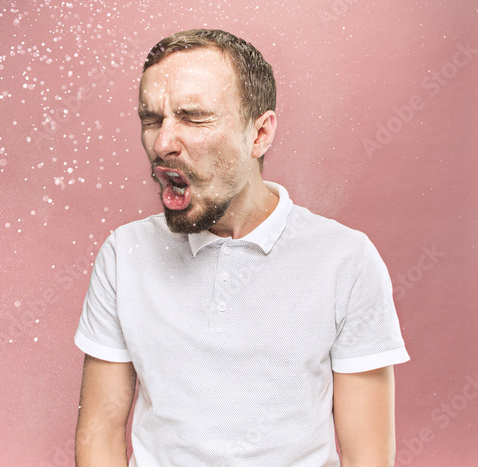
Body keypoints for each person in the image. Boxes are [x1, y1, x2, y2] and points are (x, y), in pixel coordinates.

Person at [74, 29, 410, 467]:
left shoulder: (345, 260)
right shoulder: (124, 254)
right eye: (152, 119)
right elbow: (99, 433)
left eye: (194, 118)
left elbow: (368, 456)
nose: (162, 144)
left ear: (260, 134)